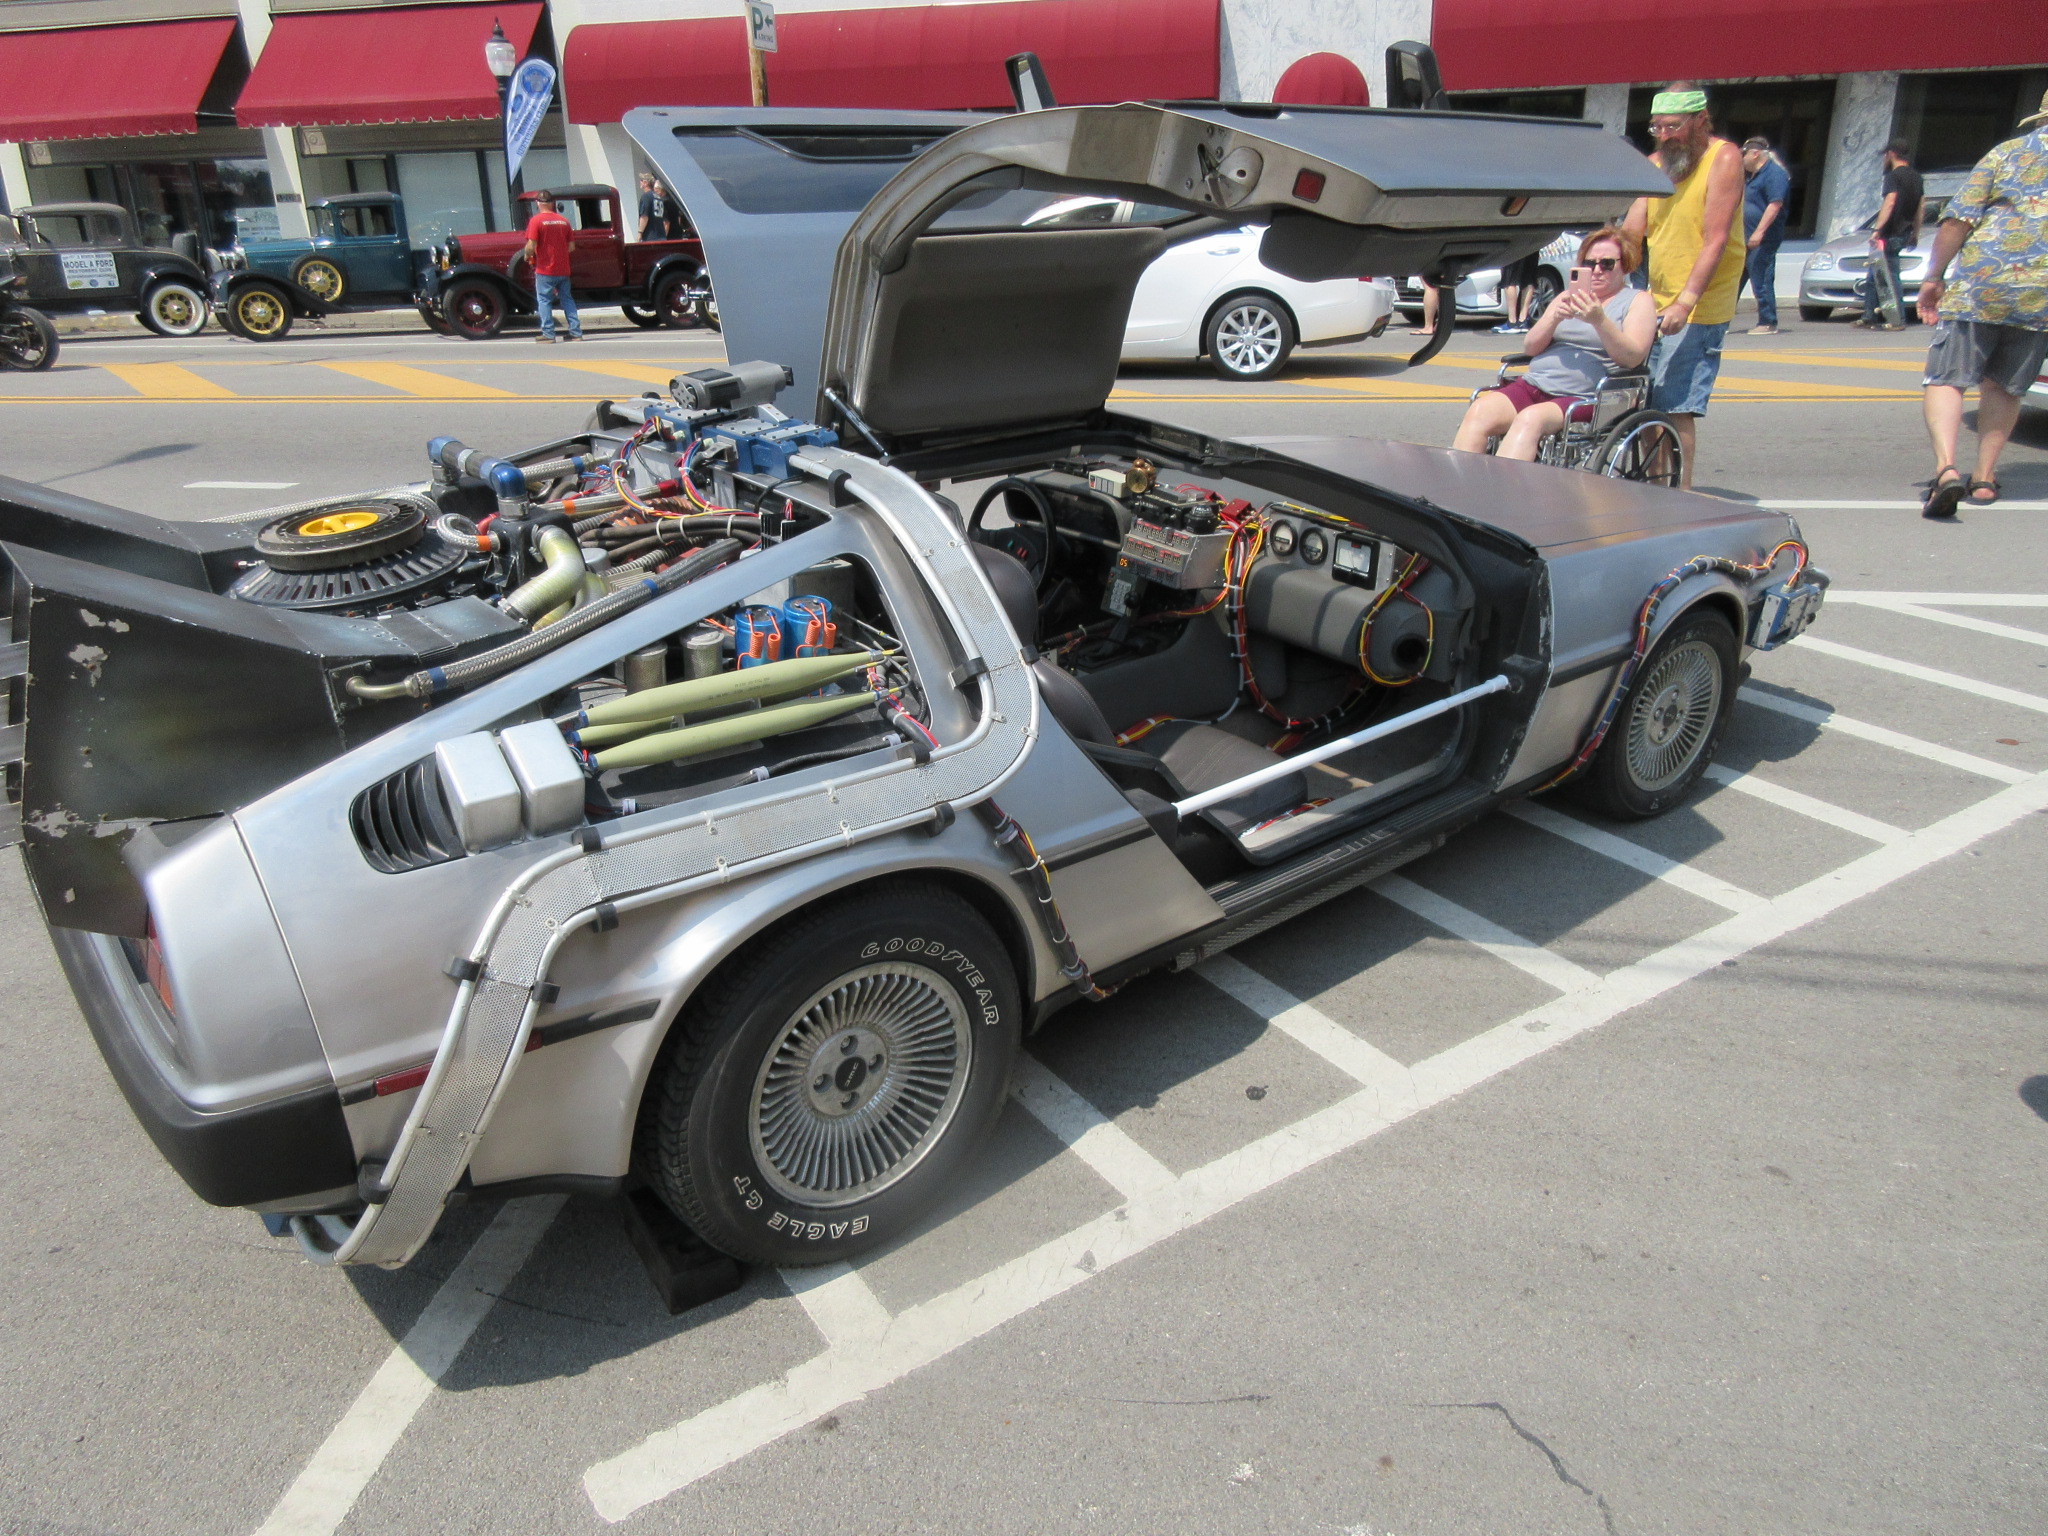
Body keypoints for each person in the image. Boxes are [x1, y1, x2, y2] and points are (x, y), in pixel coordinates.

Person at [1914, 92, 2048, 517]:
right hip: (2041, 295)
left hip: (1982, 285)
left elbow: (1958, 220)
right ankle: (1985, 478)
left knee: (1947, 379)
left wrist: (1934, 277)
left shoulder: (2006, 153)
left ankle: (1947, 470)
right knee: (2006, 386)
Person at [1623, 82, 1746, 491]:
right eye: (1657, 127)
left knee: (1675, 403)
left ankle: (1680, 495)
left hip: (1699, 301)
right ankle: (1653, 488)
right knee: (1644, 401)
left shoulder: (1722, 158)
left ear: (1699, 120)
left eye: (1673, 126)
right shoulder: (1657, 164)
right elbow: (1631, 232)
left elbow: (1716, 238)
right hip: (1655, 295)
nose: (1664, 135)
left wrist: (1686, 301)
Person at [1453, 227, 1657, 461]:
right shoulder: (1566, 297)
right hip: (1538, 383)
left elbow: (1632, 357)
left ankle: (1505, 491)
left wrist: (1600, 321)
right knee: (1480, 411)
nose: (1598, 270)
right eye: (1590, 264)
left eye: (1607, 264)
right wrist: (1553, 318)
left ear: (1625, 264)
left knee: (1531, 419)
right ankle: (1459, 489)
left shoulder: (1636, 301)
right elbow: (1530, 348)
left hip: (1590, 396)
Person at [1858, 139, 1922, 330]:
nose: (1884, 158)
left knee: (1891, 276)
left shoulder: (1893, 176)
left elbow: (1890, 202)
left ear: (1892, 154)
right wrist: (1916, 233)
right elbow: (1921, 206)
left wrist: (1877, 230)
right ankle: (1869, 315)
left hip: (1891, 232)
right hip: (1904, 232)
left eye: (1886, 154)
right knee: (1874, 273)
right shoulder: (1916, 177)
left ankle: (1897, 319)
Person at [1738, 136, 1790, 334]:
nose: (1742, 159)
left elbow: (1775, 204)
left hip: (1763, 239)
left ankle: (1768, 322)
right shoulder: (1753, 176)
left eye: (1744, 155)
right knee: (1734, 280)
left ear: (1755, 154)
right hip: (1745, 237)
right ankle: (1720, 322)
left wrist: (1759, 232)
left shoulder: (1774, 174)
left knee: (1761, 279)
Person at [523, 191, 580, 344]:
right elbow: (572, 247)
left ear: (538, 203)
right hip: (563, 269)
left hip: (545, 269)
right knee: (567, 299)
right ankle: (576, 333)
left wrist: (527, 255)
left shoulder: (536, 221)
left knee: (544, 300)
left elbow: (531, 245)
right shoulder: (564, 221)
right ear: (552, 203)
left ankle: (548, 334)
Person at [1493, 250, 1541, 334]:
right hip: (1533, 241)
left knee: (1509, 279)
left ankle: (1512, 322)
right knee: (1529, 277)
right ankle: (1523, 320)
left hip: (1516, 243)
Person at [637, 173, 674, 241]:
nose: (640, 182)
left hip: (650, 237)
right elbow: (665, 220)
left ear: (645, 183)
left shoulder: (646, 197)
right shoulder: (659, 197)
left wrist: (640, 233)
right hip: (661, 236)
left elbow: (644, 216)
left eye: (641, 180)